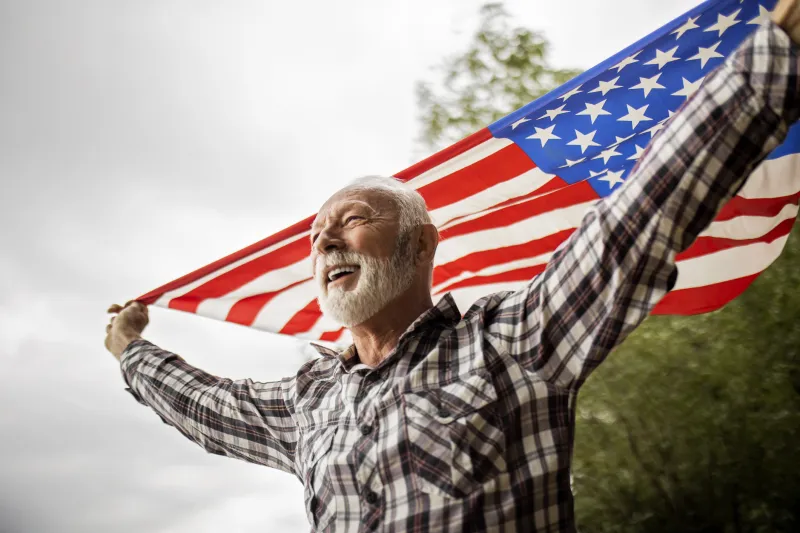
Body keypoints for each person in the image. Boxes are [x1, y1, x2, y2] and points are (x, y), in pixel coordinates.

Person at [105, 2, 800, 531]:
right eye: (316, 236)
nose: (325, 244)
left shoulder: (512, 342)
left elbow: (636, 220)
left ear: (421, 244)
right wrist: (131, 350)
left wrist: (770, 54)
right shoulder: (306, 404)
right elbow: (205, 405)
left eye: (350, 220)